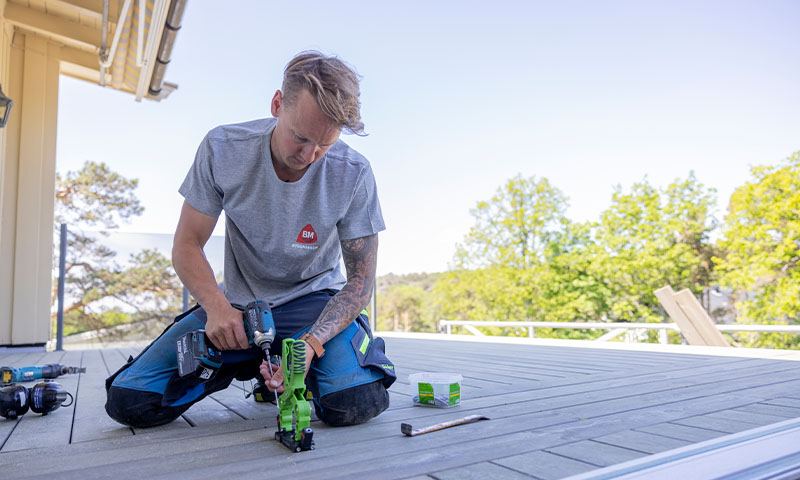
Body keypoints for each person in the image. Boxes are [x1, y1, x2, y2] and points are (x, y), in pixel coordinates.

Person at [104, 51, 395, 428]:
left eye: (324, 144)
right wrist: (217, 309)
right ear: (277, 104)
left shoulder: (354, 172)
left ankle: (299, 373)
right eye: (300, 137)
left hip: (313, 304)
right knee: (130, 402)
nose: (309, 156)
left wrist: (311, 345)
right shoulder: (223, 148)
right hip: (238, 309)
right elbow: (187, 244)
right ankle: (239, 366)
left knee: (354, 402)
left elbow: (359, 281)